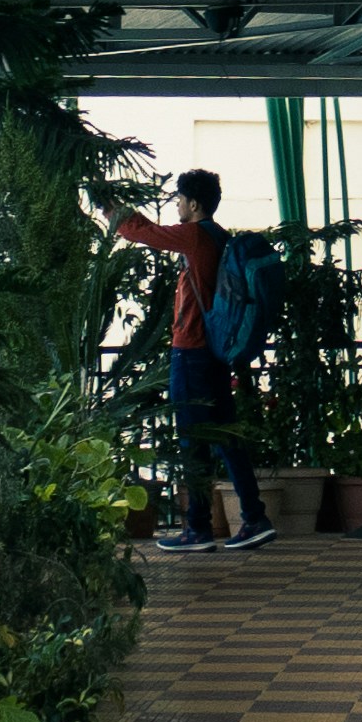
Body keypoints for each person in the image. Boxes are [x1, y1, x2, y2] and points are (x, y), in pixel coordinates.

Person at [112, 168, 274, 550]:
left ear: (194, 203)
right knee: (225, 436)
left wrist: (111, 207)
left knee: (192, 440)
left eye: (180, 199)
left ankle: (198, 528)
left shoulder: (195, 235)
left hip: (191, 353)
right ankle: (254, 517)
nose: (178, 205)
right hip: (216, 354)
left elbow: (144, 233)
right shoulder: (220, 238)